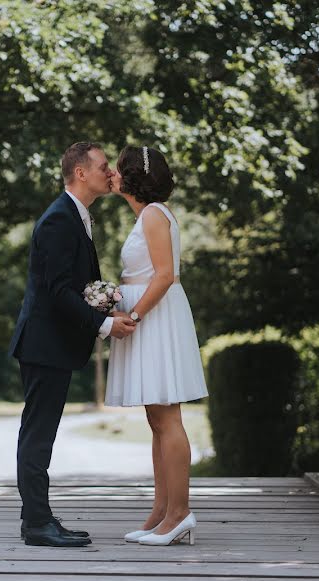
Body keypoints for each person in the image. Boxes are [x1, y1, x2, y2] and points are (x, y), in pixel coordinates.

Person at [8, 141, 137, 547]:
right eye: (103, 167)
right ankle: (37, 526)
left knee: (40, 432)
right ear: (80, 173)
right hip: (44, 344)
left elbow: (75, 287)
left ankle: (38, 518)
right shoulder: (58, 220)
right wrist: (102, 324)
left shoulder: (76, 216)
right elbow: (58, 292)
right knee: (38, 434)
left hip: (51, 344)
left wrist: (103, 310)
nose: (110, 174)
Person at [104, 145, 209, 546]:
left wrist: (135, 314)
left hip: (156, 318)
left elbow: (165, 275)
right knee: (156, 420)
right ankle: (161, 510)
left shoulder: (152, 215)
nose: (111, 174)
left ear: (130, 177)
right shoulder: (146, 213)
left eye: (117, 170)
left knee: (168, 419)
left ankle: (179, 513)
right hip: (152, 316)